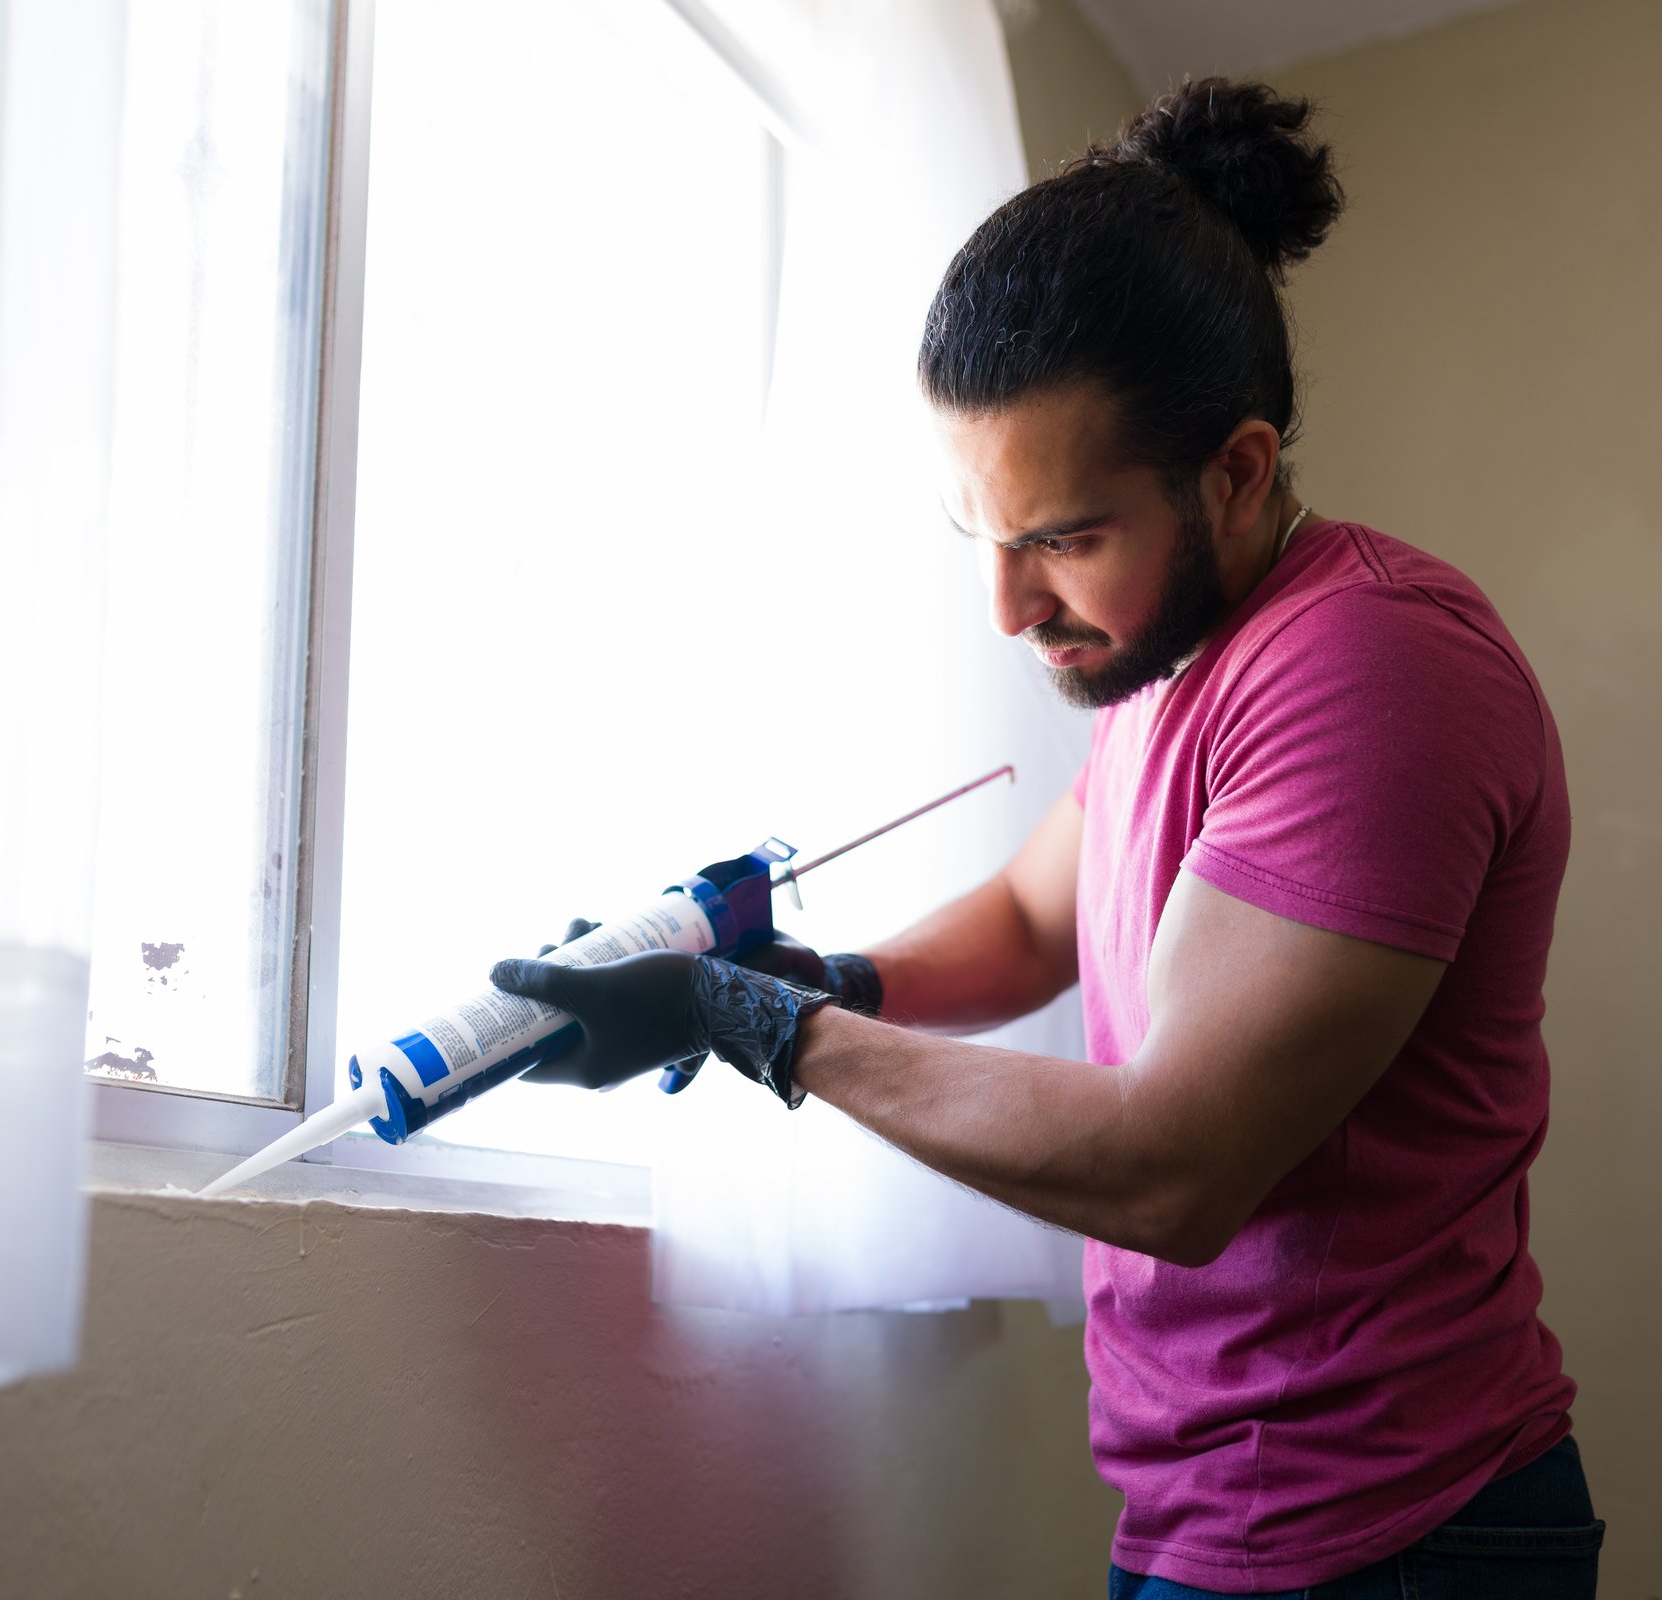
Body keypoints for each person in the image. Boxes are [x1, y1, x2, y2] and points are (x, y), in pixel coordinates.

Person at [491, 78, 1599, 1598]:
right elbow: (1033, 915)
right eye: (985, 539)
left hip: (1391, 1531)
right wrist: (829, 971)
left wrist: (750, 1019)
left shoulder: (1368, 667)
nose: (1011, 611)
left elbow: (1174, 1169)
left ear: (1239, 471)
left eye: (1064, 539)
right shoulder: (1164, 659)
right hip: (1215, 1517)